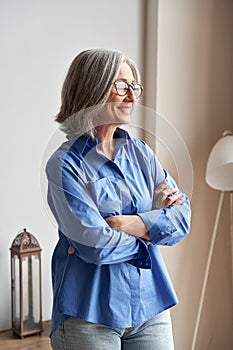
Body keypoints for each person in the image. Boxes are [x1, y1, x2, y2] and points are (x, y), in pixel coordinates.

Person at [46, 48, 191, 350]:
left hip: (150, 305)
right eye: (121, 86)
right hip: (88, 315)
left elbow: (182, 218)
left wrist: (135, 224)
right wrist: (154, 229)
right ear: (92, 87)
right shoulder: (65, 165)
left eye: (134, 87)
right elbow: (94, 244)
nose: (132, 98)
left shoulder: (141, 153)